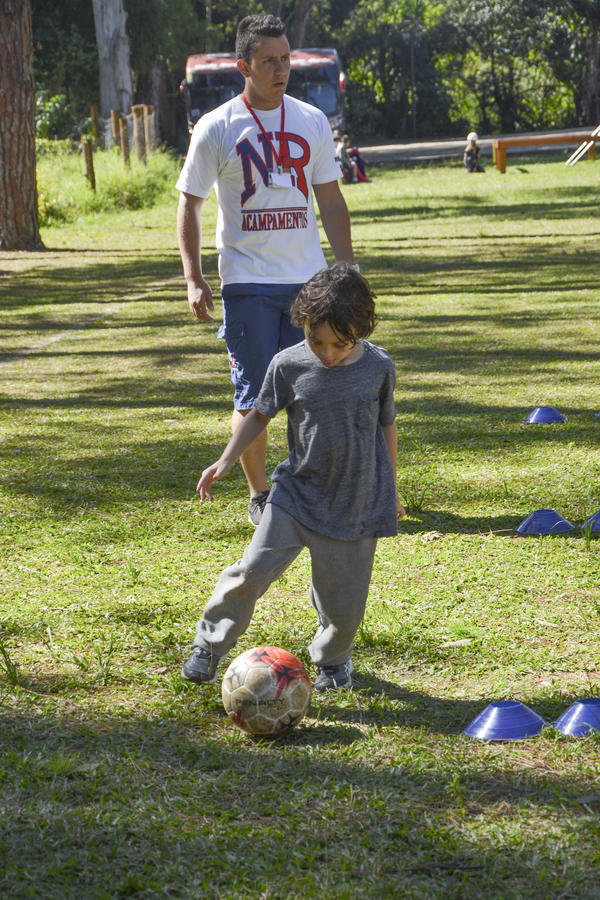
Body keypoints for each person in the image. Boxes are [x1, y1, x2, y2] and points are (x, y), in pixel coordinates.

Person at [182, 264, 405, 692]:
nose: (327, 353)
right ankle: (209, 646)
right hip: (296, 495)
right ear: (302, 323)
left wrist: (390, 488)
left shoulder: (379, 367)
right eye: (316, 341)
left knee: (344, 604)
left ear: (361, 328)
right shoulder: (288, 364)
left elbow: (386, 427)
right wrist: (226, 460)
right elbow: (259, 413)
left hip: (356, 502)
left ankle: (334, 662)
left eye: (339, 344)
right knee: (250, 572)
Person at [176, 14, 355, 527]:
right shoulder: (217, 126)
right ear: (244, 67)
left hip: (308, 281)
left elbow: (331, 199)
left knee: (317, 389)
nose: (282, 70)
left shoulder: (311, 120)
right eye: (269, 61)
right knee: (255, 393)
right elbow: (189, 204)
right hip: (248, 284)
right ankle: (261, 496)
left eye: (286, 59)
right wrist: (194, 277)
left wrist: (346, 269)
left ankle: (313, 483)